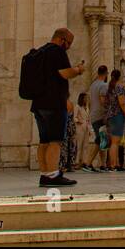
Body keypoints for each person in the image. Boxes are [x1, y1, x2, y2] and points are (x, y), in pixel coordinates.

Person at [29, 28, 85, 187]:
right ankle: (53, 175)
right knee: (55, 141)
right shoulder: (57, 51)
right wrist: (78, 70)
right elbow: (65, 73)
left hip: (38, 104)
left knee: (44, 141)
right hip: (53, 103)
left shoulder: (40, 51)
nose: (68, 47)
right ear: (62, 40)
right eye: (68, 44)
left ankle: (45, 174)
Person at [104, 68, 125, 172]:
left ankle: (115, 163)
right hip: (118, 115)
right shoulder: (119, 87)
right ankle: (113, 165)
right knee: (115, 142)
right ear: (120, 76)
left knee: (114, 141)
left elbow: (106, 103)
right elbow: (122, 103)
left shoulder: (110, 88)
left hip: (111, 116)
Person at [86, 65, 110, 172]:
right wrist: (106, 114)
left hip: (94, 115)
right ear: (106, 74)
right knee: (100, 139)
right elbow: (103, 101)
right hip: (100, 115)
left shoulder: (93, 85)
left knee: (103, 139)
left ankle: (103, 164)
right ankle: (87, 163)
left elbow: (90, 102)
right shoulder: (104, 85)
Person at [74, 93, 94, 172]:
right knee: (79, 145)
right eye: (85, 98)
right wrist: (80, 121)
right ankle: (76, 162)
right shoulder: (77, 107)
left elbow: (88, 119)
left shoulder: (87, 107)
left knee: (86, 145)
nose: (87, 99)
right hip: (80, 128)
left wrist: (90, 129)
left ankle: (84, 162)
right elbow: (74, 118)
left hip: (86, 128)